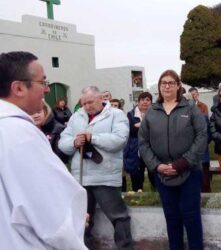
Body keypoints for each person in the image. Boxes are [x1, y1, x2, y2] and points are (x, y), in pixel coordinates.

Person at [0, 51, 87, 249]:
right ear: (19, 88)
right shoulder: (21, 134)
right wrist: (72, 222)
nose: (47, 90)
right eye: (43, 82)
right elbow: (50, 215)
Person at [139, 70, 207, 250]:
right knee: (171, 217)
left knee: (191, 217)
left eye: (171, 83)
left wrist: (182, 163)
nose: (167, 86)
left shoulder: (190, 108)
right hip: (162, 175)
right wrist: (157, 166)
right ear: (159, 87)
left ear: (178, 86)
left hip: (189, 172)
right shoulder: (152, 112)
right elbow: (143, 143)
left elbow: (201, 136)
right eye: (163, 83)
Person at [59, 86, 133, 249]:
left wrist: (93, 138)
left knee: (119, 217)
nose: (87, 106)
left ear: (101, 99)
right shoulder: (76, 117)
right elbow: (63, 142)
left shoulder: (116, 114)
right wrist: (74, 142)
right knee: (82, 219)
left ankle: (125, 247)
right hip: (81, 178)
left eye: (90, 102)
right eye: (83, 103)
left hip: (105, 177)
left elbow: (120, 140)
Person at [123, 91, 155, 192]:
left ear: (151, 102)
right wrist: (146, 125)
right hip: (135, 149)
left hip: (152, 148)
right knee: (137, 175)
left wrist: (140, 125)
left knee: (154, 174)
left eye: (147, 100)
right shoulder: (131, 114)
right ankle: (137, 196)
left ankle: (156, 196)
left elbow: (157, 130)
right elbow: (131, 131)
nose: (145, 102)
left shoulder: (156, 113)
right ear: (138, 102)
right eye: (142, 100)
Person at [189, 87, 212, 192]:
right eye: (191, 94)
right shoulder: (185, 108)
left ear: (197, 94)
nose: (194, 96)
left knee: (204, 176)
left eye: (195, 94)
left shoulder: (203, 106)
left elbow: (206, 129)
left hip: (202, 148)